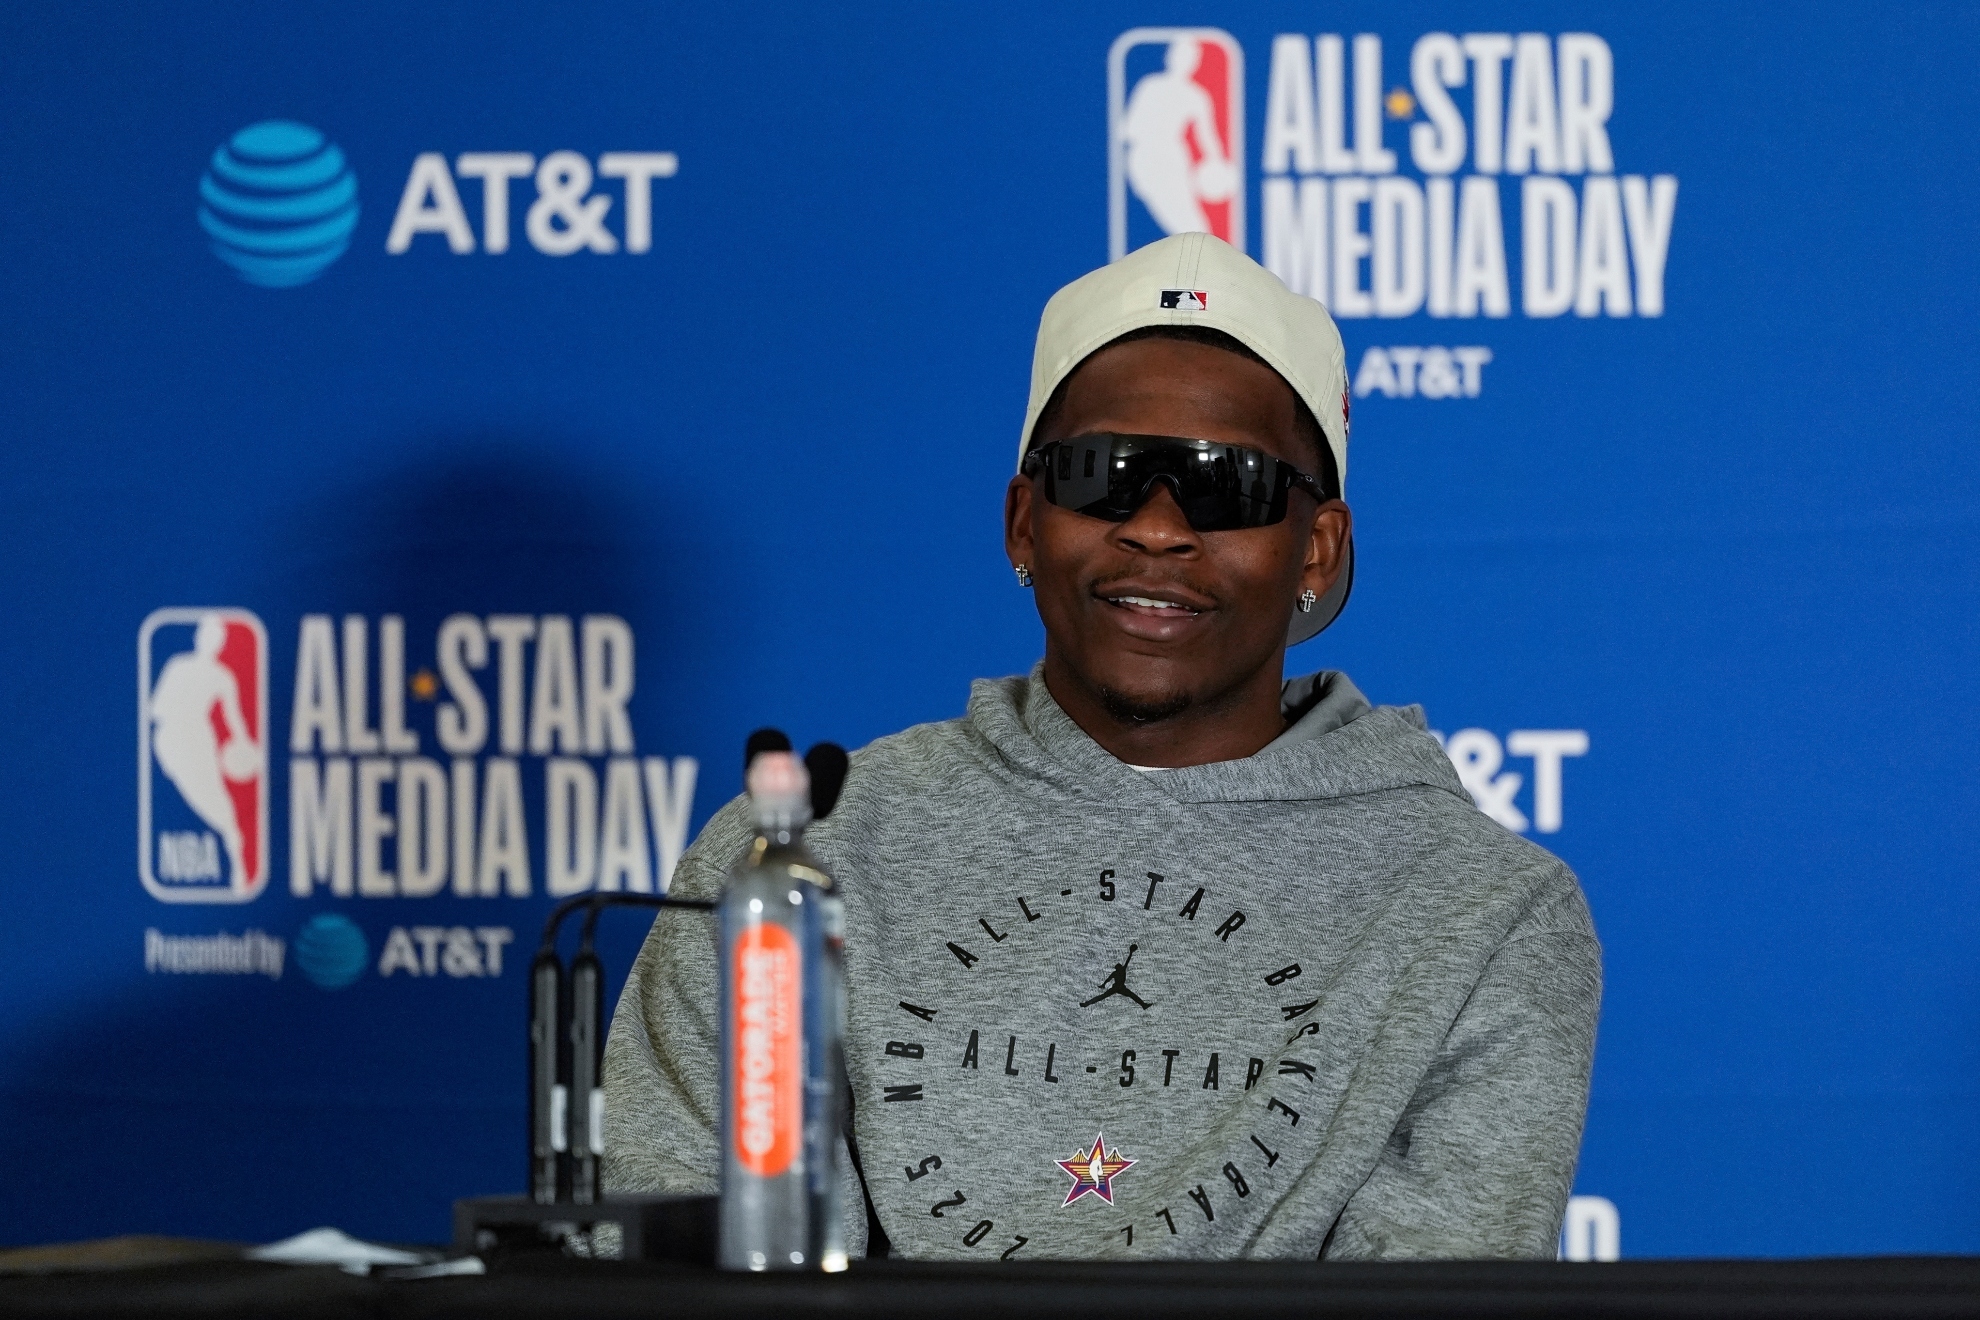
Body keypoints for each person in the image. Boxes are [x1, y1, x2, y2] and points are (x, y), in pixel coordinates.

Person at [604, 232, 1600, 1260]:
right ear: (1025, 523)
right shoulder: (798, 859)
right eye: (1104, 474)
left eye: (1229, 485)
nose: (1159, 528)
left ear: (1317, 546)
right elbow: (700, 1284)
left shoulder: (1482, 910)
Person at [149, 614, 259, 888]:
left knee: (224, 810)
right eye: (205, 635)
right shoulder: (177, 665)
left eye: (215, 638)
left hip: (200, 741)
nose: (209, 641)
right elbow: (155, 709)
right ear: (198, 638)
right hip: (171, 741)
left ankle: (239, 870)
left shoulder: (223, 677)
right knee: (188, 797)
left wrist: (247, 748)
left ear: (220, 644)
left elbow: (236, 722)